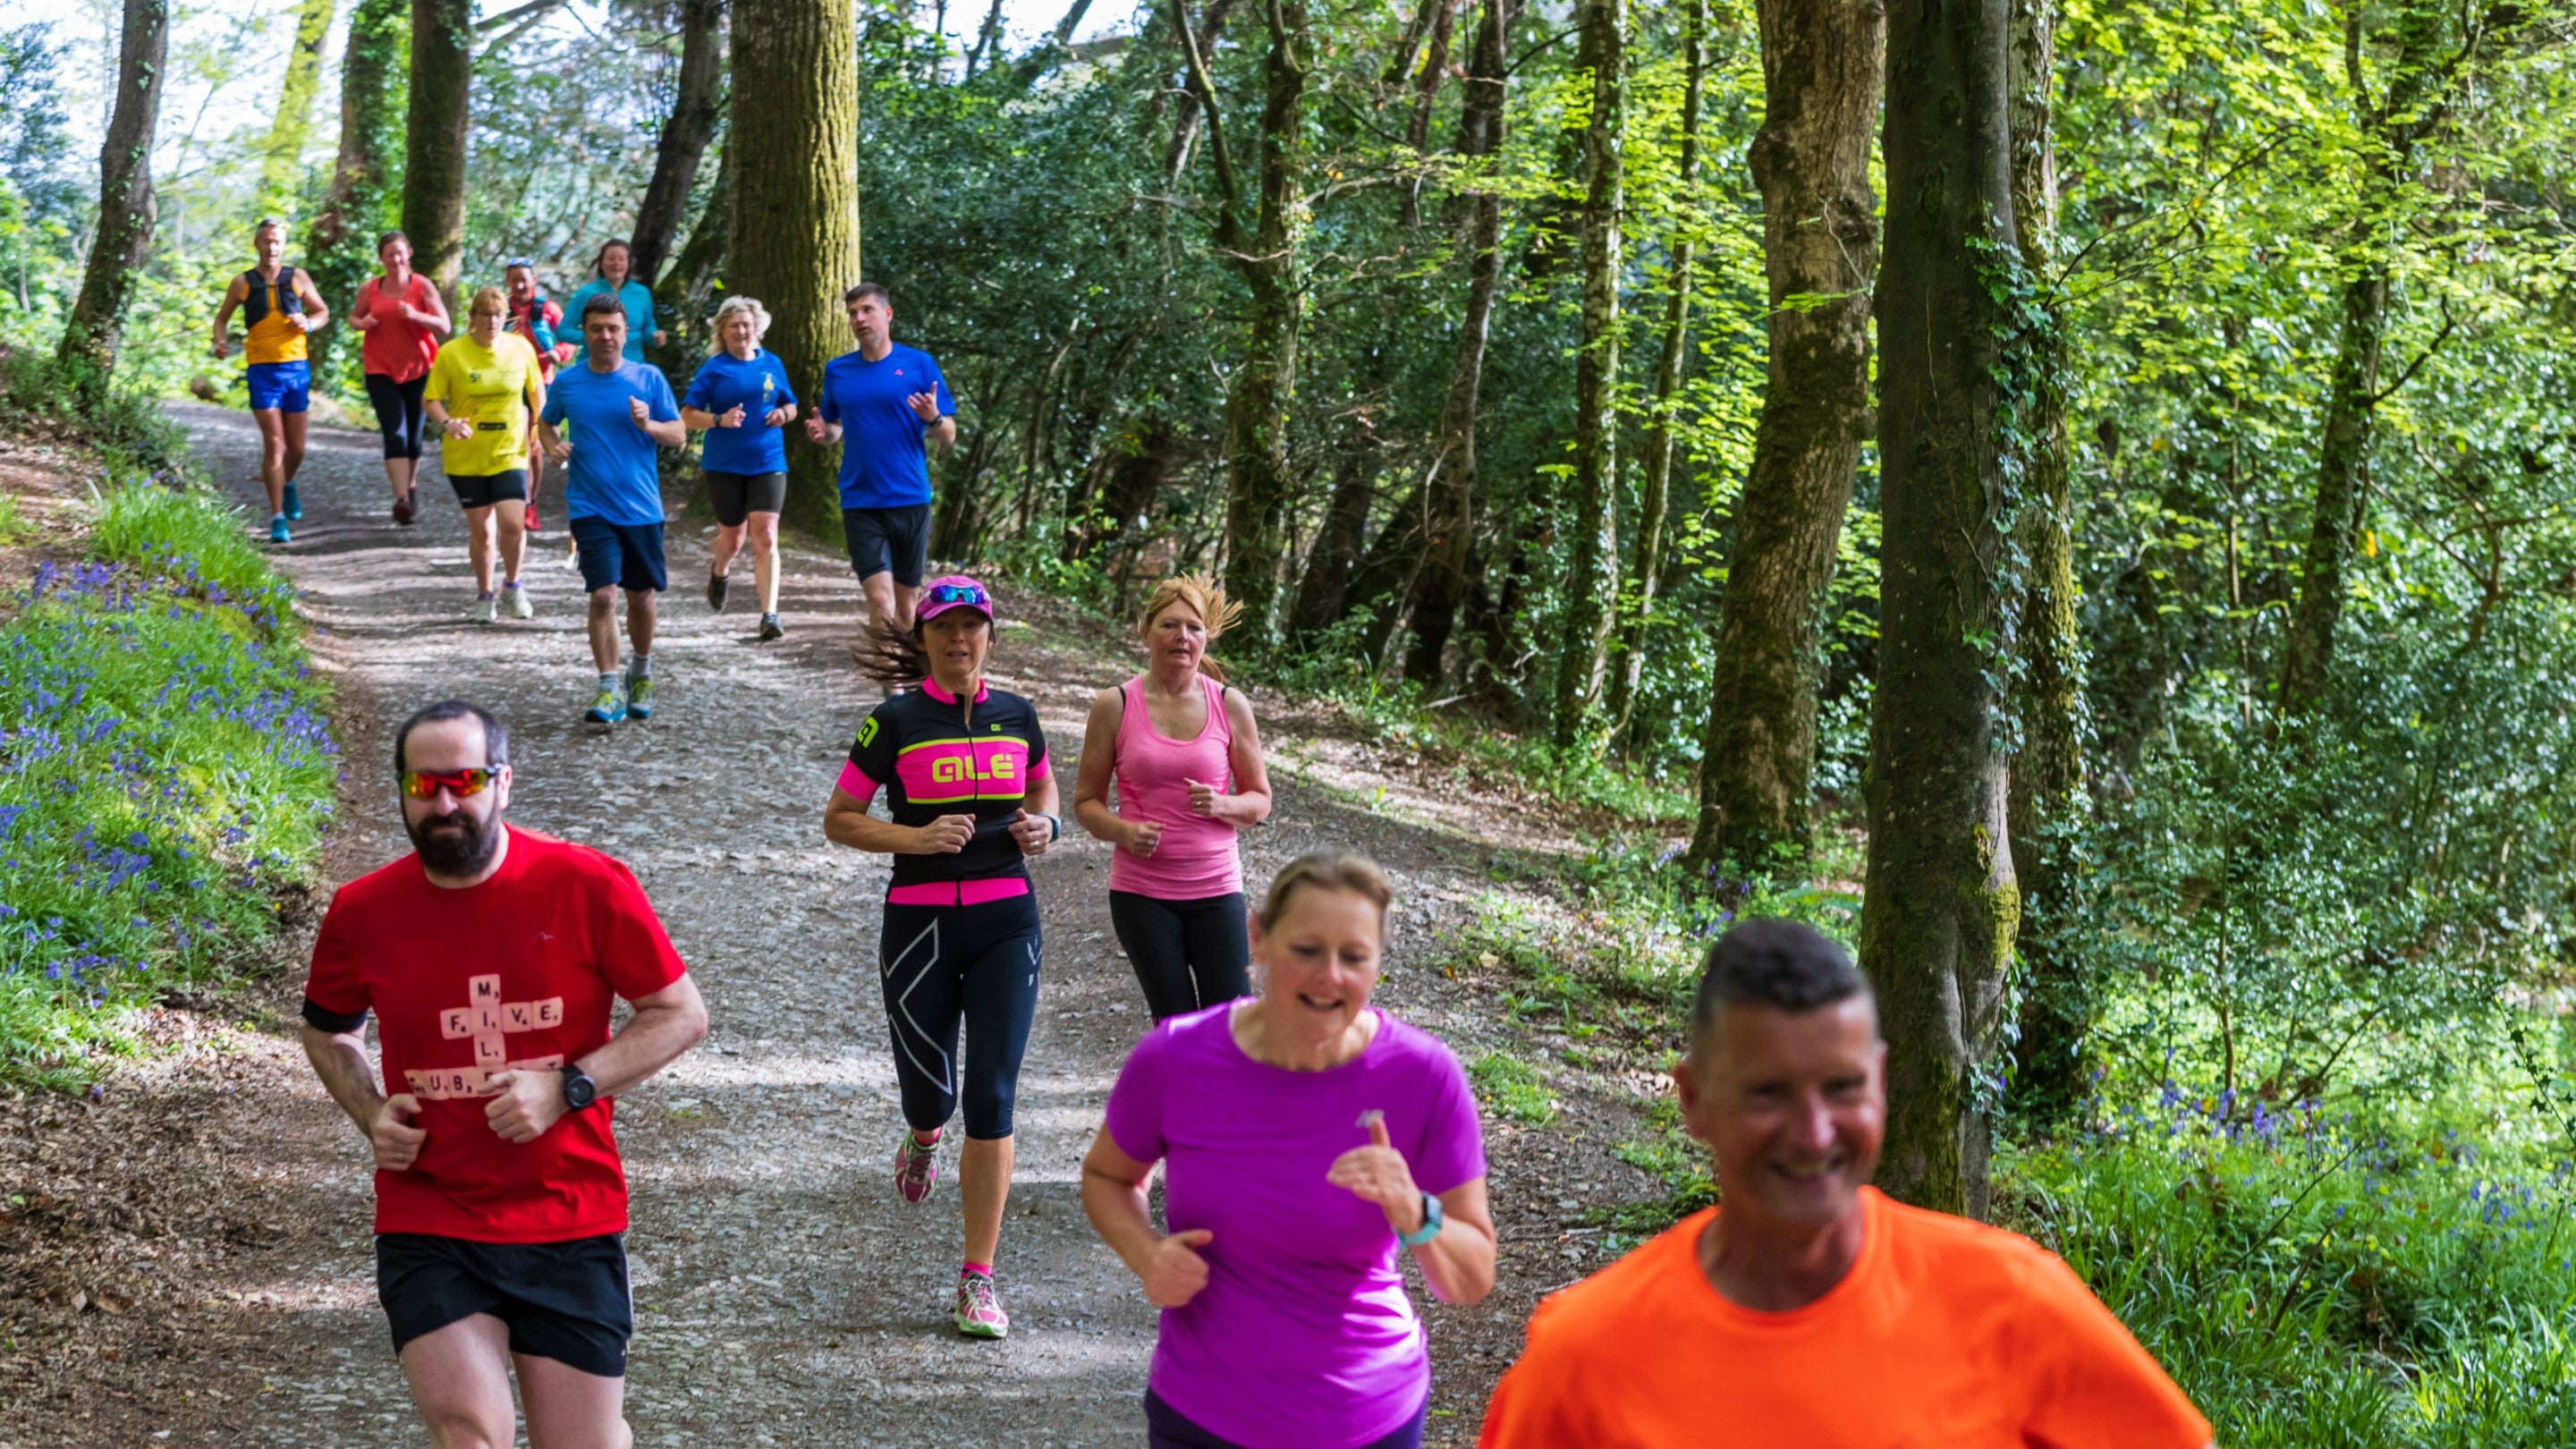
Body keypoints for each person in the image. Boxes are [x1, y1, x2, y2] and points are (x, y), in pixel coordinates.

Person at [1474, 919, 2216, 1448]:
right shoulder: (1586, 1358)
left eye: (1842, 1088)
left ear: (1881, 1082)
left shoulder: (2011, 1302)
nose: (1814, 1132)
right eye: (1769, 1093)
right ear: (1694, 1099)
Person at [298, 699, 708, 1449]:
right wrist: (370, 1111)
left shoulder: (586, 884)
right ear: (400, 790)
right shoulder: (363, 912)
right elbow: (328, 1030)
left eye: (463, 781)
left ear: (503, 782)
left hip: (570, 1211)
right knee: (470, 1433)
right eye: (422, 786)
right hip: (432, 1213)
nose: (443, 804)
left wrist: (568, 1087)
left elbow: (679, 1013)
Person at [1080, 852, 1495, 1449]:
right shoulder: (1176, 1058)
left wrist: (1416, 1212)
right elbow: (1107, 1177)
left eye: (1354, 957)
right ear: (1258, 937)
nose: (1331, 976)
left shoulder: (1423, 1075)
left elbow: (1472, 1278)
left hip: (1367, 1418)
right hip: (1204, 1413)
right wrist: (1146, 1255)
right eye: (1307, 950)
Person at [823, 575, 1061, 1339]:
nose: (960, 639)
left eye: (972, 626)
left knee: (992, 1098)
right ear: (923, 638)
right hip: (919, 928)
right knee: (935, 1099)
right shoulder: (893, 721)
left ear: (989, 635)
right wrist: (917, 838)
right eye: (944, 628)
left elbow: (1046, 792)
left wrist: (1047, 828)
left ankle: (977, 1280)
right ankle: (924, 1134)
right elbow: (840, 818)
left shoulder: (1018, 715)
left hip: (1007, 923)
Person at [1073, 576, 1275, 1020]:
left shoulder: (1230, 704)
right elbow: (1086, 802)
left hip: (1217, 888)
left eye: (1193, 627)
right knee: (1175, 1023)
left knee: (1231, 1020)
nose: (1182, 636)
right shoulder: (1115, 704)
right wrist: (1124, 832)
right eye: (1169, 625)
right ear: (1146, 633)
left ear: (1206, 638)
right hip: (1141, 894)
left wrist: (1223, 804)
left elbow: (1260, 799)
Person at [539, 292, 683, 726]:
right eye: (597, 329)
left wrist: (648, 424)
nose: (606, 336)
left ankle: (641, 672)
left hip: (641, 508)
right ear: (584, 333)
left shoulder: (648, 378)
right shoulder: (568, 382)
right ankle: (607, 687)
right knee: (603, 595)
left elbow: (678, 434)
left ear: (626, 332)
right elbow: (545, 422)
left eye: (613, 329)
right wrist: (553, 447)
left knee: (640, 597)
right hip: (590, 506)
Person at [801, 283, 956, 637]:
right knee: (880, 601)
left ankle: (907, 671)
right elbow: (834, 428)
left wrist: (933, 417)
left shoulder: (919, 364)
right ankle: (887, 675)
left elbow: (949, 435)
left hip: (910, 498)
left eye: (867, 310)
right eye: (853, 313)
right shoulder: (838, 370)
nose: (859, 318)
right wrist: (823, 434)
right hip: (861, 499)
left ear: (888, 314)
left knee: (907, 608)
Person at [680, 295, 798, 642]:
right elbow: (687, 416)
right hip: (725, 464)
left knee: (767, 535)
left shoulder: (772, 363)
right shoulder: (714, 368)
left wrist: (783, 414)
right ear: (722, 331)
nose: (742, 331)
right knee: (733, 539)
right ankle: (720, 570)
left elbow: (791, 404)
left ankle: (770, 614)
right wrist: (719, 419)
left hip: (768, 460)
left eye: (747, 324)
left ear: (757, 327)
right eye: (734, 326)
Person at [424, 287, 545, 623]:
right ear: (473, 317)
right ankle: (484, 596)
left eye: (498, 315)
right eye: (485, 314)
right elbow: (431, 399)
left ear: (506, 318)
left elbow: (537, 391)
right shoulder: (452, 353)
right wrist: (447, 423)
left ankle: (513, 585)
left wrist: (539, 429)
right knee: (482, 531)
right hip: (467, 454)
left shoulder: (520, 347)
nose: (492, 321)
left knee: (513, 523)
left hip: (510, 450)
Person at [210, 217, 331, 545]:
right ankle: (278, 517)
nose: (271, 247)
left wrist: (308, 323)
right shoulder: (242, 282)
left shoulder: (297, 277)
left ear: (283, 244)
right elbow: (221, 319)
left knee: (298, 448)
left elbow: (322, 312)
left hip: (296, 369)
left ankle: (287, 483)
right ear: (257, 244)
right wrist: (220, 342)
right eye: (266, 241)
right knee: (274, 444)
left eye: (277, 241)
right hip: (262, 371)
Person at [346, 230, 449, 526]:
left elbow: (444, 325)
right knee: (395, 434)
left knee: (414, 440)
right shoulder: (370, 289)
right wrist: (363, 323)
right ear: (381, 258)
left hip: (419, 369)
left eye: (400, 253)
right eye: (390, 254)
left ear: (409, 254)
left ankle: (410, 485)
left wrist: (416, 315)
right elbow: (354, 318)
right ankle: (402, 499)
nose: (396, 259)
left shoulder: (421, 285)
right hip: (380, 368)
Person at [505, 260, 576, 537]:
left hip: (541, 383)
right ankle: (516, 501)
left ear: (534, 279)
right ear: (508, 282)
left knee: (535, 446)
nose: (520, 285)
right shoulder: (501, 309)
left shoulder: (548, 309)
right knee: (519, 442)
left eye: (524, 279)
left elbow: (568, 338)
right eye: (514, 280)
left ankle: (530, 503)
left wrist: (557, 353)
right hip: (508, 383)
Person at [562, 239, 665, 366]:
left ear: (629, 264)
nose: (616, 263)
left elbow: (648, 326)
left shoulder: (642, 293)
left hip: (632, 366)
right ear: (601, 263)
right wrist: (593, 337)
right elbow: (563, 330)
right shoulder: (586, 293)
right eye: (611, 258)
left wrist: (654, 336)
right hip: (592, 367)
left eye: (622, 259)